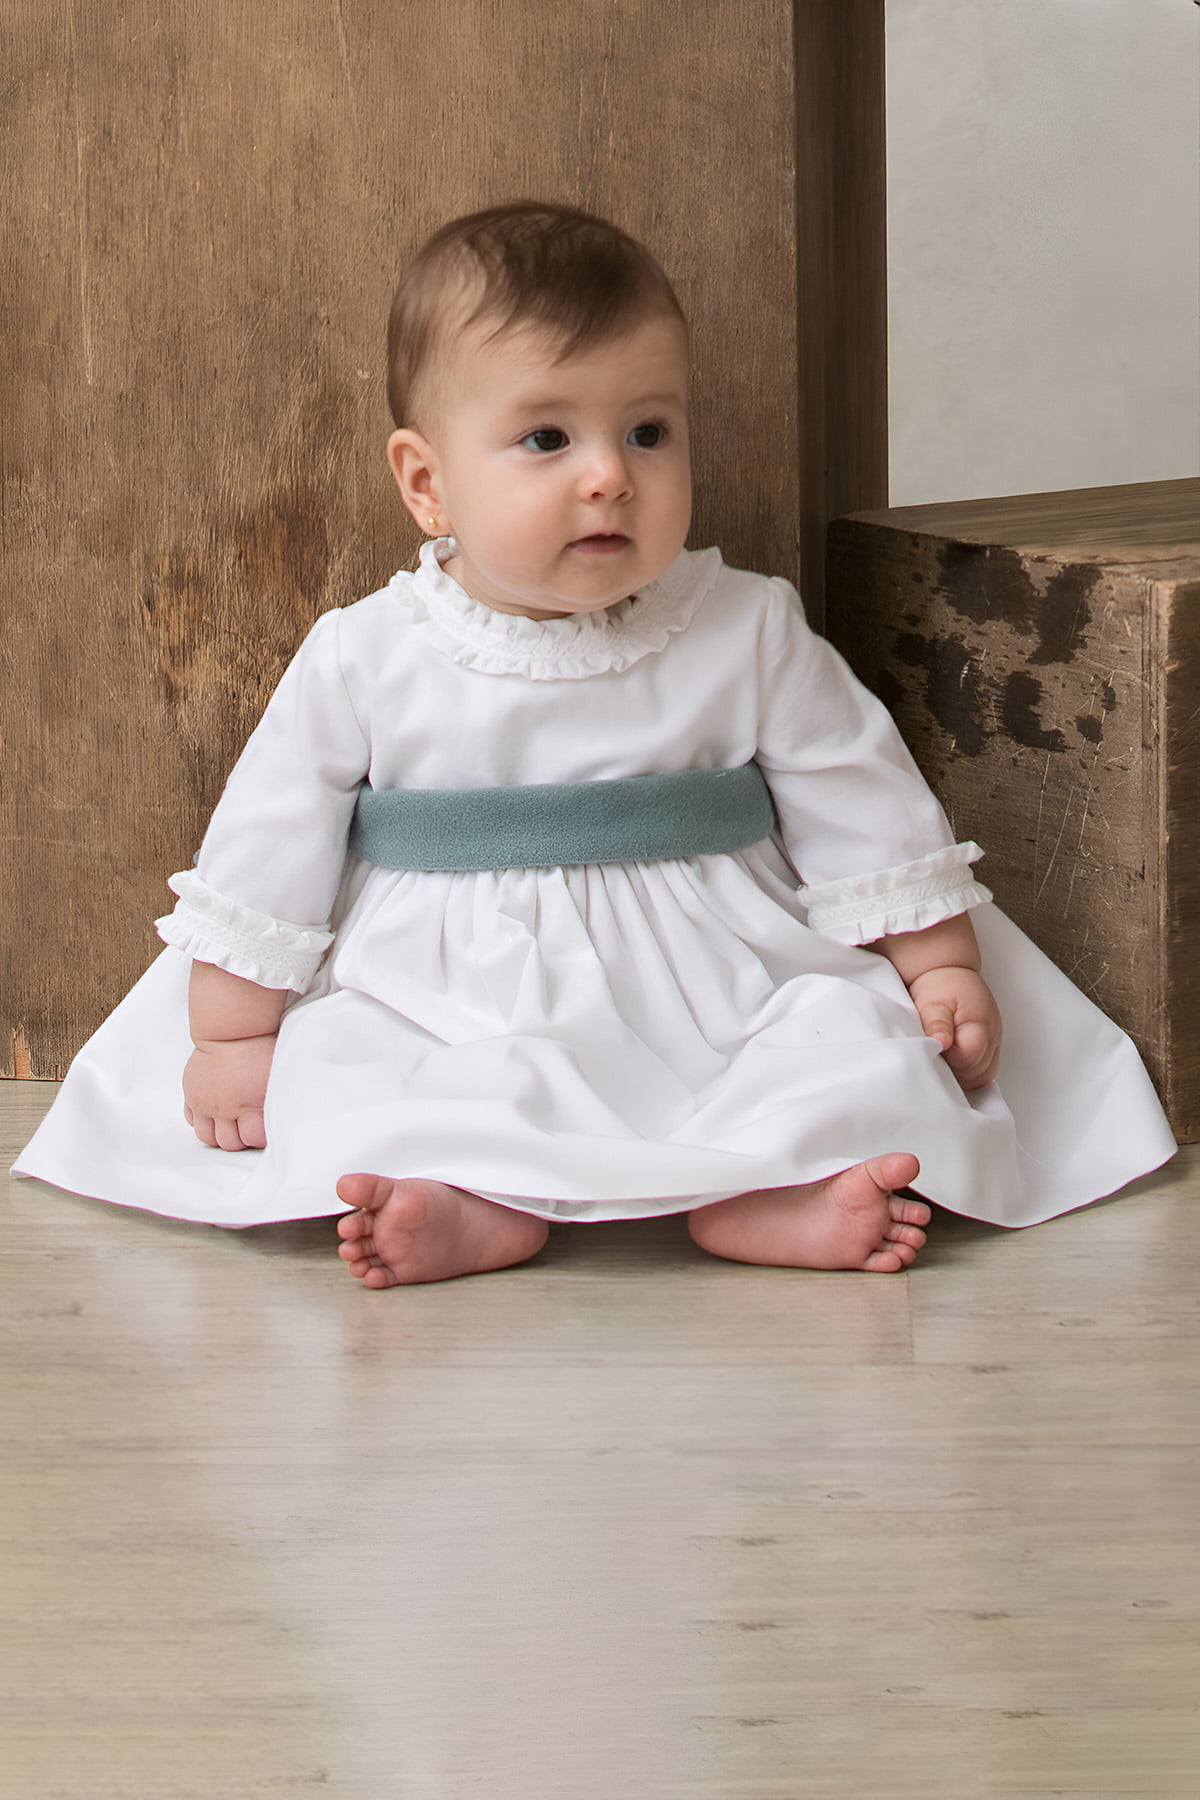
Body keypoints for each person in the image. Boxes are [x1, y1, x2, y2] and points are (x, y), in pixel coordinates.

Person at [14, 201, 1176, 1284]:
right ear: (428, 483)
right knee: (365, 1065)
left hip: (728, 979)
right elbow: (271, 837)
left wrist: (937, 964)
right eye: (546, 438)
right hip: (452, 988)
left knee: (846, 1043)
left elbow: (857, 794)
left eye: (649, 431)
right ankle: (472, 1202)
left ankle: (777, 1192)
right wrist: (228, 1033)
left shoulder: (743, 626)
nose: (610, 475)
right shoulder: (367, 653)